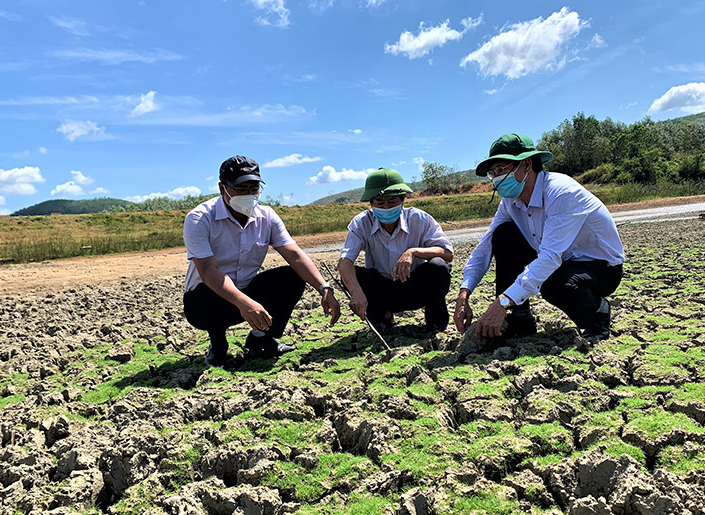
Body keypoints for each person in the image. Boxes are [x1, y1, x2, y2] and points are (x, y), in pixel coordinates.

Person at [454, 133, 625, 347]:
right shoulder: (510, 202)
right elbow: (485, 247)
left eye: (502, 169)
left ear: (526, 165)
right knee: (503, 235)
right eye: (492, 173)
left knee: (552, 283)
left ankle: (596, 314)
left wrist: (503, 302)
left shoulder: (561, 192)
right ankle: (520, 319)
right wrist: (464, 293)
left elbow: (550, 258)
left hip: (599, 267)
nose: (497, 178)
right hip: (561, 260)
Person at [183, 155, 340, 366]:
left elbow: (294, 255)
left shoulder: (267, 216)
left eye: (253, 189)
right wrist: (244, 302)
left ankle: (261, 339)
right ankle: (218, 343)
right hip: (207, 299)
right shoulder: (199, 218)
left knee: (291, 277)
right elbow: (209, 270)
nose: (248, 195)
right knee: (205, 293)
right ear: (222, 189)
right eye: (240, 189)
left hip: (247, 291)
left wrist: (324, 288)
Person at [338, 168, 454, 336]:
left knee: (439, 266)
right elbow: (345, 261)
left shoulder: (420, 219)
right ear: (371, 204)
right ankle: (382, 320)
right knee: (351, 274)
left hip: (415, 288)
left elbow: (447, 252)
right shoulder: (361, 223)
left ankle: (436, 322)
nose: (386, 207)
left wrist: (413, 252)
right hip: (382, 291)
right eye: (380, 203)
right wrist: (356, 293)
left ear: (402, 200)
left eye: (392, 202)